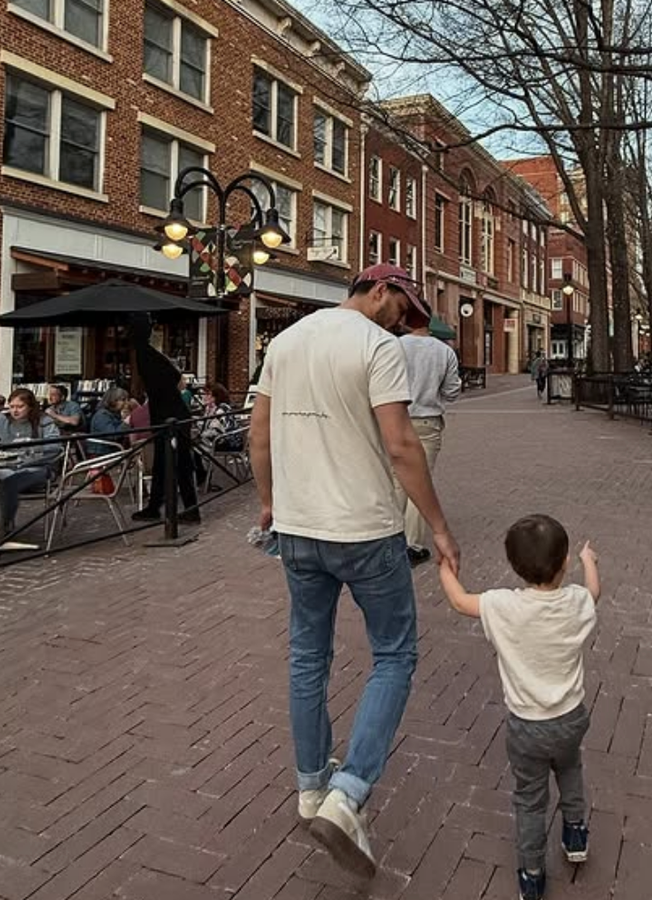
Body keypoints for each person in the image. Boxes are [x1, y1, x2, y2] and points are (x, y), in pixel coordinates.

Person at [249, 262, 460, 879]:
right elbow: (400, 446)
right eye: (404, 306)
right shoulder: (376, 346)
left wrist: (270, 503)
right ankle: (348, 793)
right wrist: (440, 528)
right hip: (365, 529)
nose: (406, 319)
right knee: (394, 654)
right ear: (380, 290)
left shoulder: (285, 341)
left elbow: (259, 435)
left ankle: (311, 787)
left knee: (307, 656)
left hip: (298, 529)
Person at [438, 514, 601, 900]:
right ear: (563, 564)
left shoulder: (501, 605)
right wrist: (589, 560)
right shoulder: (577, 601)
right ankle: (575, 834)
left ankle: (532, 872)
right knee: (570, 768)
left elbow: (461, 601)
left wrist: (446, 569)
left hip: (527, 725)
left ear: (514, 567)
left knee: (530, 798)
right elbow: (593, 591)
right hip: (571, 716)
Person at [394, 312, 461, 567]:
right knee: (420, 481)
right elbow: (452, 391)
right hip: (427, 422)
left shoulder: (394, 346)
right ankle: (412, 544)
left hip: (395, 420)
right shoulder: (444, 352)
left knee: (395, 480)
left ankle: (390, 537)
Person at [129, 315, 199, 524]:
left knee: (179, 463)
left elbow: (174, 381)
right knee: (164, 463)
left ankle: (191, 509)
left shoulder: (145, 355)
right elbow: (178, 380)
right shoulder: (149, 354)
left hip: (170, 417)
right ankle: (155, 506)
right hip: (169, 415)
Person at [0, 388, 62, 534]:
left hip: (38, 468)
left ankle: (5, 527)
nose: (15, 411)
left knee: (9, 483)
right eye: (12, 406)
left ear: (31, 407)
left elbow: (55, 447)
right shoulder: (2, 419)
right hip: (6, 466)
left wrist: (32, 443)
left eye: (20, 407)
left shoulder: (44, 420)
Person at [87, 386, 131, 456]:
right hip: (102, 454)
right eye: (123, 400)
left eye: (127, 400)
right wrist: (126, 422)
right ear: (113, 401)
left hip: (114, 451)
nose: (126, 403)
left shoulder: (115, 414)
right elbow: (112, 435)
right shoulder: (102, 415)